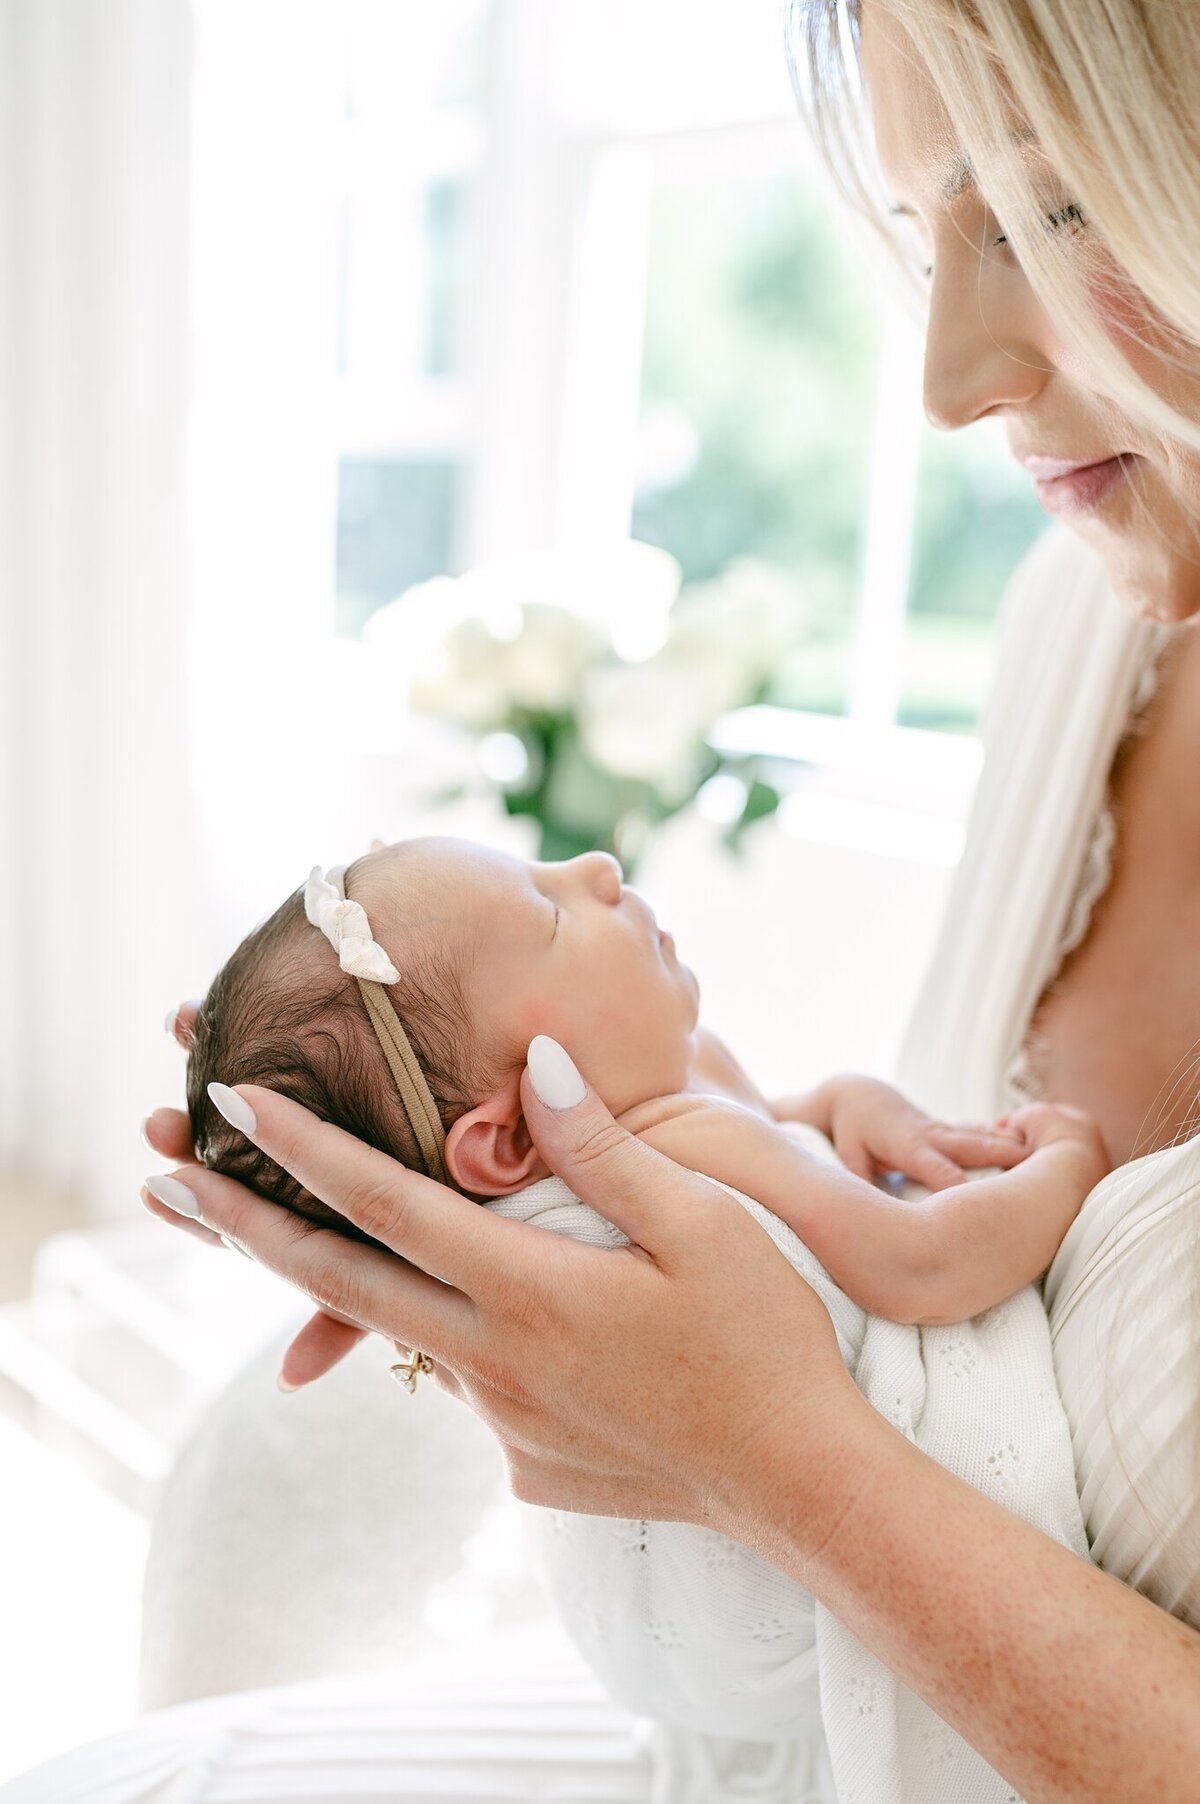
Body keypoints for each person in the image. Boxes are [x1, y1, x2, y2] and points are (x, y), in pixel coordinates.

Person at [13, 0, 1200, 1799]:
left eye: (1055, 214)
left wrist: (765, 1450)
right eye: (919, 232)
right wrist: (534, 1255)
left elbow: (847, 1358)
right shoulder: (1082, 621)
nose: (950, 377)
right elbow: (865, 1267)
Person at [187, 840, 1101, 1328]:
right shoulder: (679, 1149)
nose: (598, 870)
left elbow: (781, 1141)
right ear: (509, 1142)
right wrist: (1069, 1164)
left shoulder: (676, 1111)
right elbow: (924, 1264)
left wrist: (840, 1103)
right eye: (550, 911)